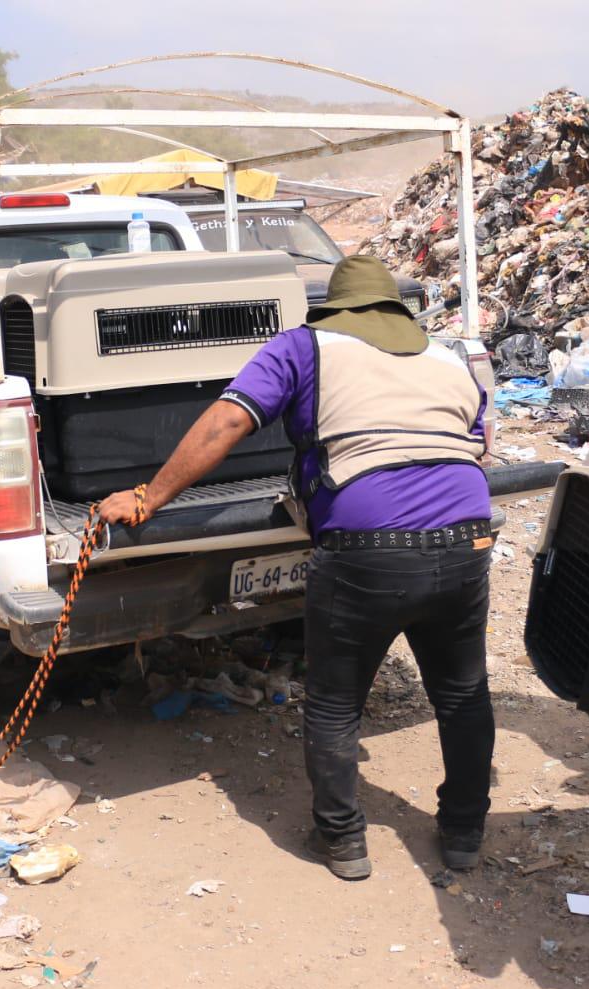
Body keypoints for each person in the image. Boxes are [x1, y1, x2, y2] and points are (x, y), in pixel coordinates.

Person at [101, 255, 495, 881]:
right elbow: (479, 443)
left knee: (337, 704)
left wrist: (151, 496)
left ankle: (342, 841)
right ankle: (465, 834)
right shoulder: (448, 357)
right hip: (468, 537)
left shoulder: (304, 347)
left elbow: (229, 421)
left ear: (333, 311)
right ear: (395, 308)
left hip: (366, 546)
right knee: (461, 694)